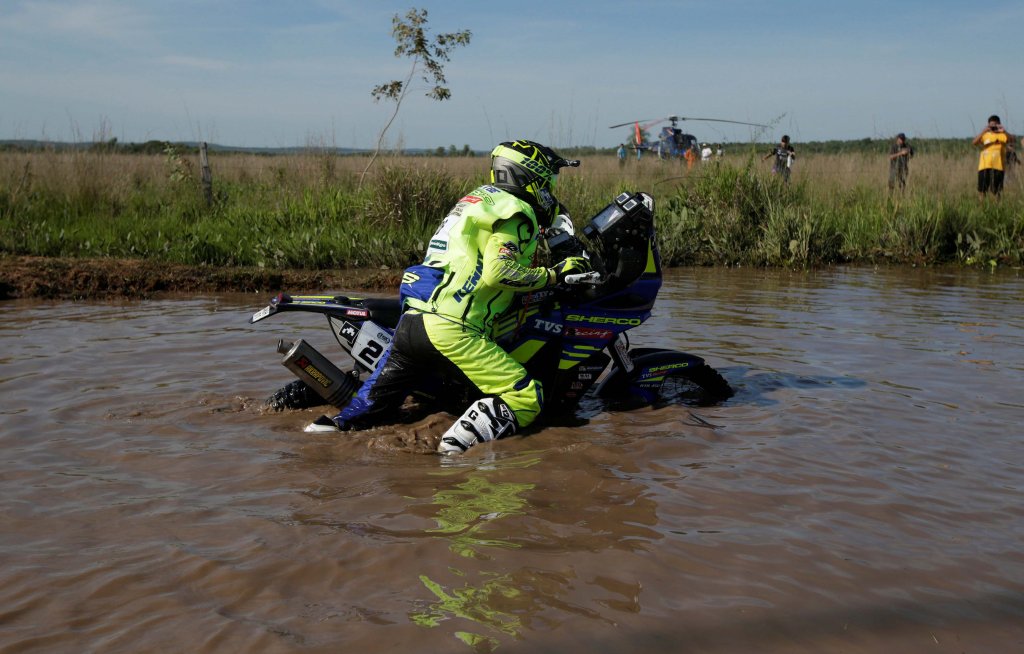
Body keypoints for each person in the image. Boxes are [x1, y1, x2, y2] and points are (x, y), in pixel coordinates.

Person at [308, 140, 591, 455]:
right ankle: (454, 458)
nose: (552, 187)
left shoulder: (478, 201)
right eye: (550, 179)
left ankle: (310, 442)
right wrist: (555, 275)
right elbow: (500, 272)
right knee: (524, 397)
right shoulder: (517, 212)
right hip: (452, 327)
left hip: (413, 322)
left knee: (362, 413)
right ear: (532, 176)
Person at [972, 114, 1013, 199]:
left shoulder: (1003, 135)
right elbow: (974, 142)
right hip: (984, 166)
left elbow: (1012, 140)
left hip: (998, 167)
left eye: (995, 125)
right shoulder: (985, 135)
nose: (993, 127)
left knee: (996, 191)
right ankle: (982, 209)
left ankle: (996, 210)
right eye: (991, 125)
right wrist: (984, 131)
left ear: (999, 124)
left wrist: (1004, 131)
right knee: (982, 191)